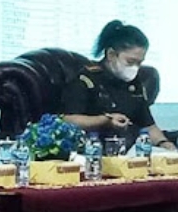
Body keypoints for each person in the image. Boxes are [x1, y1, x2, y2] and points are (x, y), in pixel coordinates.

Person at [62, 20, 177, 151]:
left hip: (130, 152)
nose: (135, 68)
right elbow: (67, 120)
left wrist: (164, 144)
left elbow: (148, 125)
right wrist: (105, 120)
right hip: (94, 151)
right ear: (111, 54)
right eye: (130, 62)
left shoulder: (134, 83)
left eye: (139, 63)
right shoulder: (86, 79)